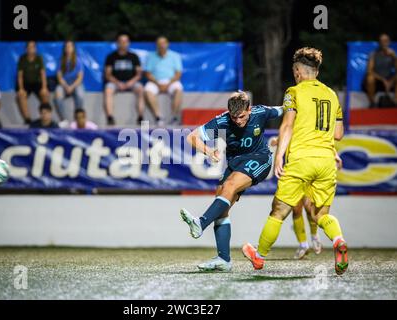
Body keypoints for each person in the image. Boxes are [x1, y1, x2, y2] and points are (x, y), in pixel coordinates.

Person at [242, 47, 348, 275]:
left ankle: (259, 257)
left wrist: (279, 153)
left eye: (294, 71)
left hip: (301, 160)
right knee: (321, 215)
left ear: (298, 71)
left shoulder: (293, 92)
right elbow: (338, 134)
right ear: (316, 71)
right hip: (326, 162)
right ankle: (338, 240)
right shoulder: (331, 94)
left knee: (278, 210)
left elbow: (287, 125)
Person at [180, 91, 283, 272]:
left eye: (242, 116)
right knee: (221, 206)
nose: (238, 121)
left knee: (229, 186)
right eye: (234, 117)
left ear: (249, 110)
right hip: (235, 163)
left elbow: (287, 110)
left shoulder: (261, 112)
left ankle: (201, 223)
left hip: (260, 158)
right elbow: (192, 137)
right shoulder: (223, 121)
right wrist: (208, 151)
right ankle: (223, 259)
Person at [104, 33, 144, 125]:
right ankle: (110, 117)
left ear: (129, 43)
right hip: (115, 82)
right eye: (121, 41)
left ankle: (141, 117)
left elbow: (139, 74)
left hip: (131, 82)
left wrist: (130, 82)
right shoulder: (111, 57)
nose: (123, 43)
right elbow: (108, 74)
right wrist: (118, 83)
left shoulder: (134, 56)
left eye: (125, 41)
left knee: (141, 89)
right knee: (108, 90)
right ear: (117, 43)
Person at [144, 36, 183, 126]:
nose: (162, 45)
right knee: (147, 90)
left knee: (179, 89)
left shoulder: (175, 56)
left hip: (171, 81)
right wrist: (157, 83)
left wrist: (169, 83)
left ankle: (173, 116)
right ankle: (159, 117)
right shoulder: (150, 56)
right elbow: (148, 73)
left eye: (163, 43)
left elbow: (178, 74)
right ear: (156, 45)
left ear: (167, 44)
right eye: (159, 43)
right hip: (155, 81)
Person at [16, 41, 50, 124]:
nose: (31, 49)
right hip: (26, 83)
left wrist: (44, 87)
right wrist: (21, 89)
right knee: (20, 96)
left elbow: (43, 74)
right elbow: (20, 75)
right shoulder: (22, 59)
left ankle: (46, 117)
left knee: (45, 94)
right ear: (26, 49)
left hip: (37, 83)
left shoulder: (39, 58)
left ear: (35, 49)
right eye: (29, 47)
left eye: (32, 47)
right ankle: (27, 119)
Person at [54, 41, 85, 122]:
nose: (68, 49)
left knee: (80, 94)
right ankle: (63, 120)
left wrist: (72, 87)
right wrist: (66, 86)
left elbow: (80, 77)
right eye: (66, 47)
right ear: (64, 49)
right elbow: (59, 77)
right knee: (57, 94)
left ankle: (77, 118)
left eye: (70, 47)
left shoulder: (78, 60)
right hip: (64, 84)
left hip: (75, 84)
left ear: (73, 48)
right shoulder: (60, 61)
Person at [365, 33, 397, 107]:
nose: (384, 43)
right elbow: (369, 71)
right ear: (379, 43)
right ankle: (372, 102)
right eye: (381, 41)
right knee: (370, 78)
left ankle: (395, 102)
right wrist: (383, 80)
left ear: (389, 42)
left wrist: (394, 57)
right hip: (378, 80)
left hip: (390, 79)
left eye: (385, 41)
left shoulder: (393, 54)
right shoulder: (373, 54)